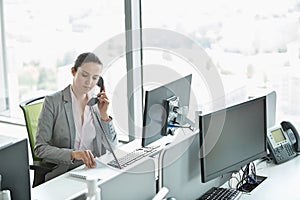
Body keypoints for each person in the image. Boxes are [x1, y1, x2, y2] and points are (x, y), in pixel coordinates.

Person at [34, 52, 118, 181]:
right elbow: (40, 148)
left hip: (95, 171)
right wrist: (73, 154)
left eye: (95, 78)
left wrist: (104, 116)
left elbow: (112, 147)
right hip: (66, 173)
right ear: (73, 71)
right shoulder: (53, 102)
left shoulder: (96, 104)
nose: (89, 82)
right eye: (84, 75)